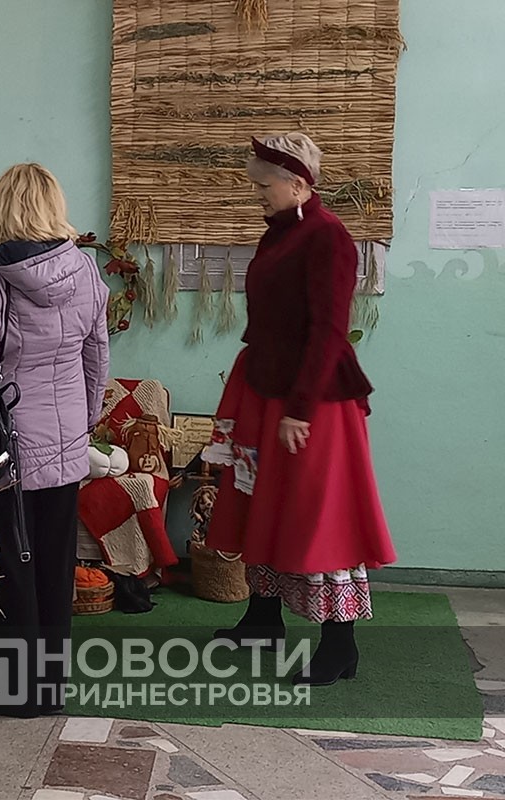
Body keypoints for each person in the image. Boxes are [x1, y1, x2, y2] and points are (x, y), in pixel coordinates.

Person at [203, 133, 396, 687]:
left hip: (313, 399)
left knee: (319, 511)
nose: (257, 194)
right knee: (262, 497)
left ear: (297, 183)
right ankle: (263, 619)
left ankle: (340, 646)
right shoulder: (281, 232)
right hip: (267, 387)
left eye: (263, 185)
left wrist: (301, 409)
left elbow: (330, 329)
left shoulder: (328, 236)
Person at [0, 163, 111, 717]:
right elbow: (96, 355)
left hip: (7, 447)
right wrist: (83, 423)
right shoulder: (84, 267)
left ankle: (13, 693)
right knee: (55, 567)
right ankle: (49, 689)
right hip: (65, 442)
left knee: (9, 566)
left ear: (4, 210)